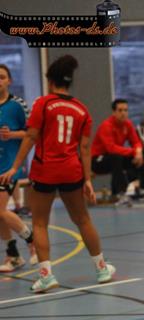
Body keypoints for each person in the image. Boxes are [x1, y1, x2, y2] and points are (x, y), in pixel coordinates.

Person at [0, 55, 116, 293]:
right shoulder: (82, 109)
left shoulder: (43, 104)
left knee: (39, 223)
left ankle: (46, 276)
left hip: (45, 170)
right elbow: (85, 148)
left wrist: (14, 166)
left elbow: (31, 137)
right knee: (83, 220)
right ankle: (102, 269)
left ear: (50, 81)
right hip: (72, 170)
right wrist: (87, 179)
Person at [0, 64, 37, 272]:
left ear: (9, 81)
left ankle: (32, 241)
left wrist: (12, 134)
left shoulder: (17, 105)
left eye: (2, 77)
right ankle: (13, 255)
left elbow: (32, 133)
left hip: (10, 166)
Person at [91, 99, 144, 205]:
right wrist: (133, 151)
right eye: (120, 110)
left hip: (115, 157)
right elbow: (111, 148)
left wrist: (138, 151)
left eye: (126, 110)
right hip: (97, 160)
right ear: (114, 112)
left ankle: (143, 189)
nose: (123, 113)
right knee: (116, 157)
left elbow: (136, 142)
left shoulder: (128, 124)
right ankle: (119, 194)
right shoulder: (106, 125)